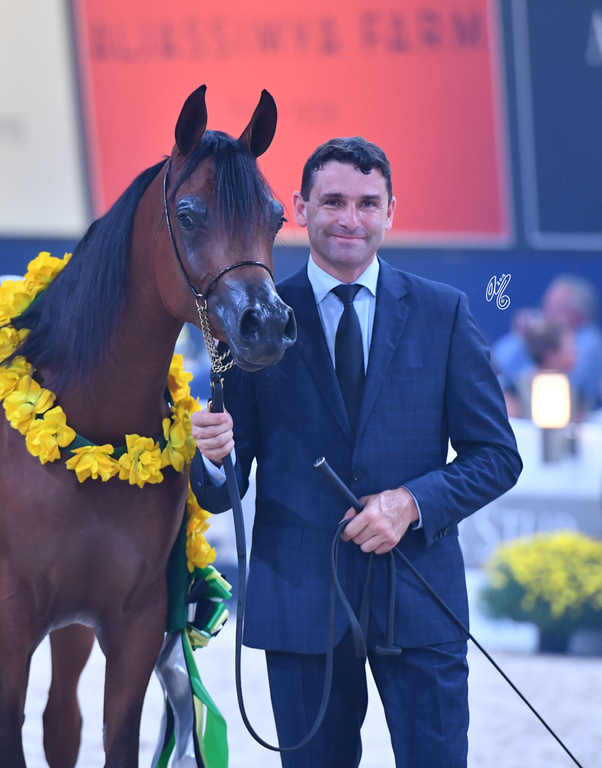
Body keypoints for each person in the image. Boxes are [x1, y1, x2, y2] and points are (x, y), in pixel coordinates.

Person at [190, 137, 522, 768]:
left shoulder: (443, 313)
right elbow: (220, 487)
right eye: (333, 200)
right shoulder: (252, 318)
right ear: (299, 207)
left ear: (391, 212)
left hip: (421, 600)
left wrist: (411, 502)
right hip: (299, 603)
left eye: (368, 203)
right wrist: (212, 456)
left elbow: (497, 456)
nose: (350, 218)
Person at [492, 275, 602, 413]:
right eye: (546, 305)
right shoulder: (516, 391)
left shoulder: (590, 342)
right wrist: (520, 336)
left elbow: (580, 384)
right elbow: (497, 361)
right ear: (548, 354)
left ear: (577, 313)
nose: (546, 312)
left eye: (556, 307)